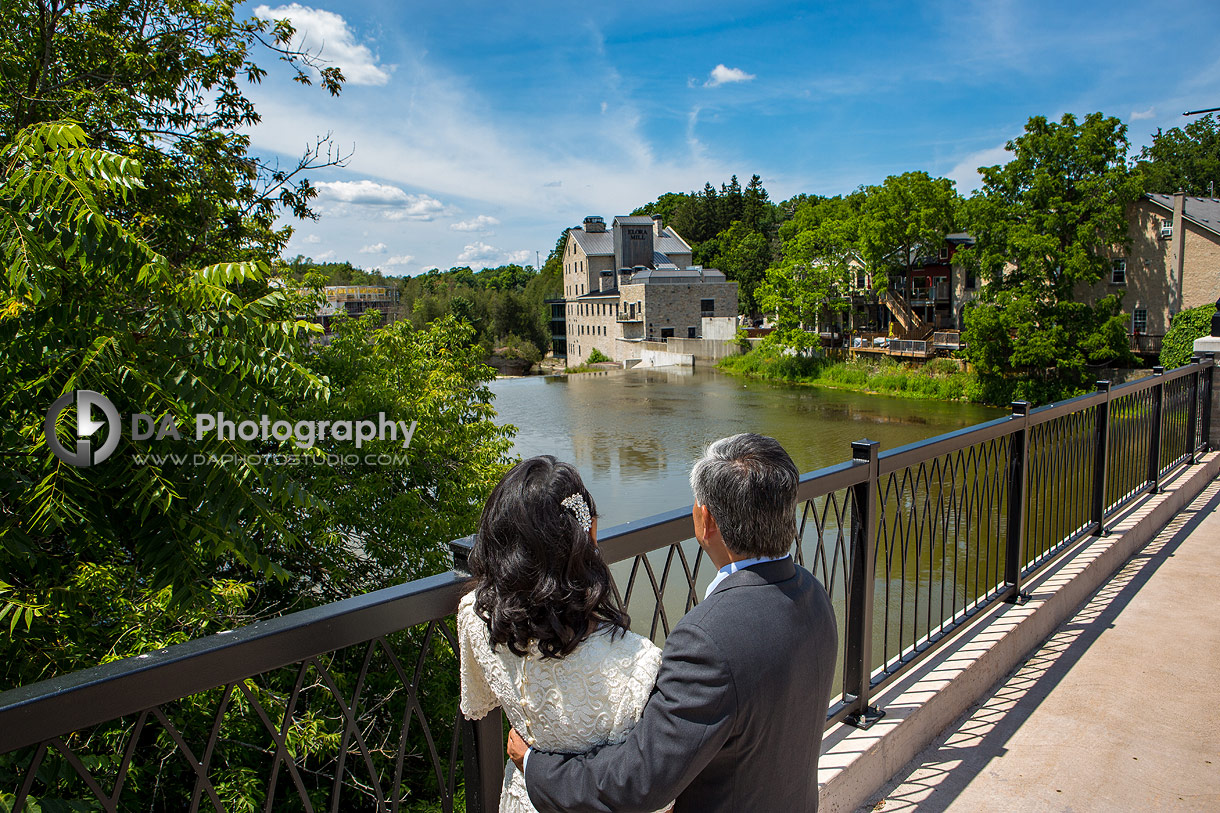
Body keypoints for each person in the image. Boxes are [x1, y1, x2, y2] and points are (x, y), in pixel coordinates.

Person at [511, 433, 840, 813]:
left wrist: (537, 767)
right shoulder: (812, 592)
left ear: (706, 521)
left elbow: (638, 781)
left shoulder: (709, 639)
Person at [457, 455, 674, 813]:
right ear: (587, 535)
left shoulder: (475, 615)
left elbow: (481, 699)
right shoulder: (637, 664)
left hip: (523, 798)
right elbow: (656, 797)